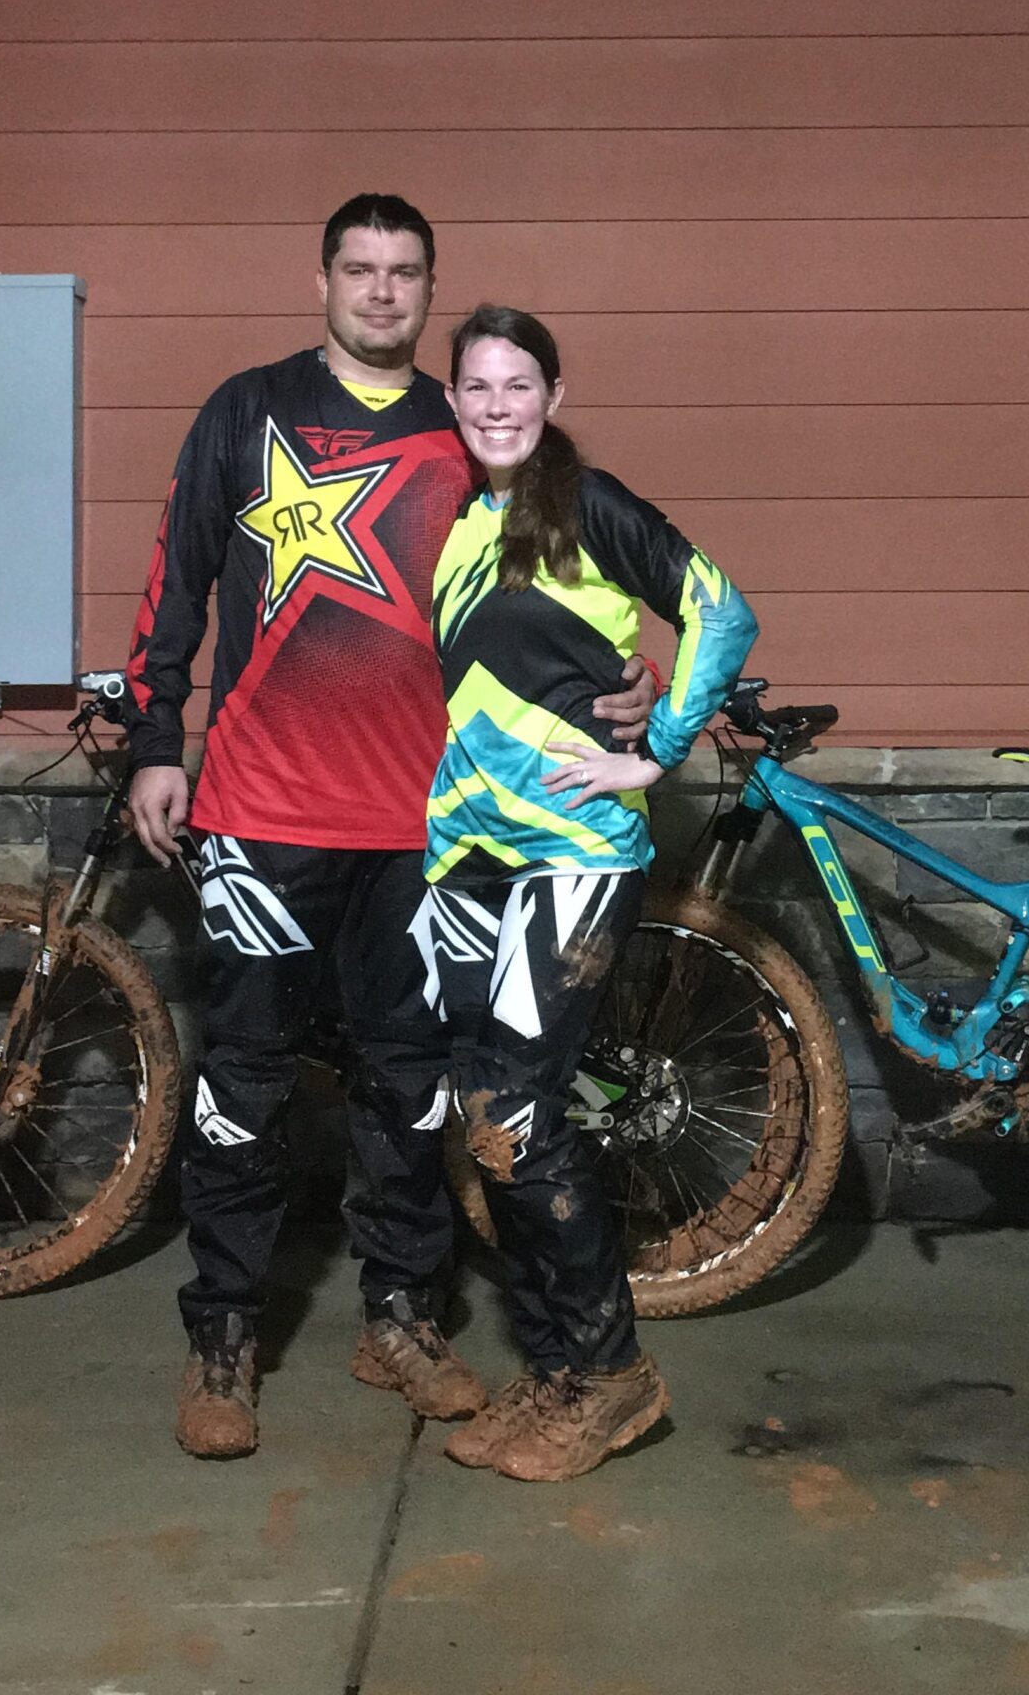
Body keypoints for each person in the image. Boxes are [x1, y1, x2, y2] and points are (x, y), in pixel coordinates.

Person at [122, 197, 655, 1458]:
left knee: (412, 1085)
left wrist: (624, 686)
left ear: (430, 287)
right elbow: (174, 577)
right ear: (320, 280)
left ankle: (402, 1316)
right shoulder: (244, 411)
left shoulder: (470, 429)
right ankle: (223, 1338)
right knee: (243, 1083)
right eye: (357, 269)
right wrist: (154, 743)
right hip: (259, 808)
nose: (379, 291)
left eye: (403, 272)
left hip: (429, 824)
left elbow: (566, 586)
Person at [416, 305, 759, 1484]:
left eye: (519, 384)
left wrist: (658, 742)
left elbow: (723, 605)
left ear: (553, 395)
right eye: (476, 387)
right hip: (468, 855)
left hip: (574, 848)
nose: (498, 404)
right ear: (455, 400)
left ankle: (614, 1377)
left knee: (516, 1108)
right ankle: (560, 1365)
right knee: (488, 1120)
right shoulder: (464, 525)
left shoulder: (592, 503)